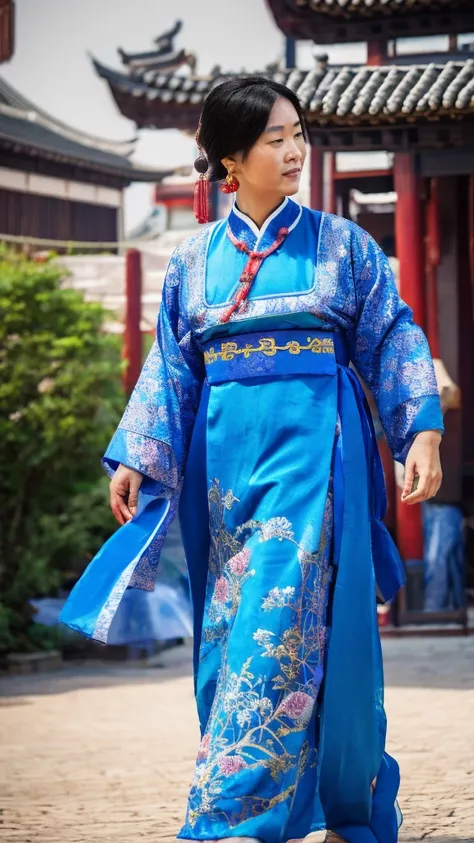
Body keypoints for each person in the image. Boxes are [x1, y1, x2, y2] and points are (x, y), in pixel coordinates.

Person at [60, 77, 444, 843]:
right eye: (276, 137)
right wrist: (137, 454)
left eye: (298, 132)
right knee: (242, 634)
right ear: (231, 159)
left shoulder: (342, 247)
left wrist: (420, 431)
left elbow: (394, 336)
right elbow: (171, 367)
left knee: (280, 615)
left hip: (315, 461)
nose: (296, 148)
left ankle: (236, 813)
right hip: (223, 476)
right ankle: (351, 805)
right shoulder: (192, 261)